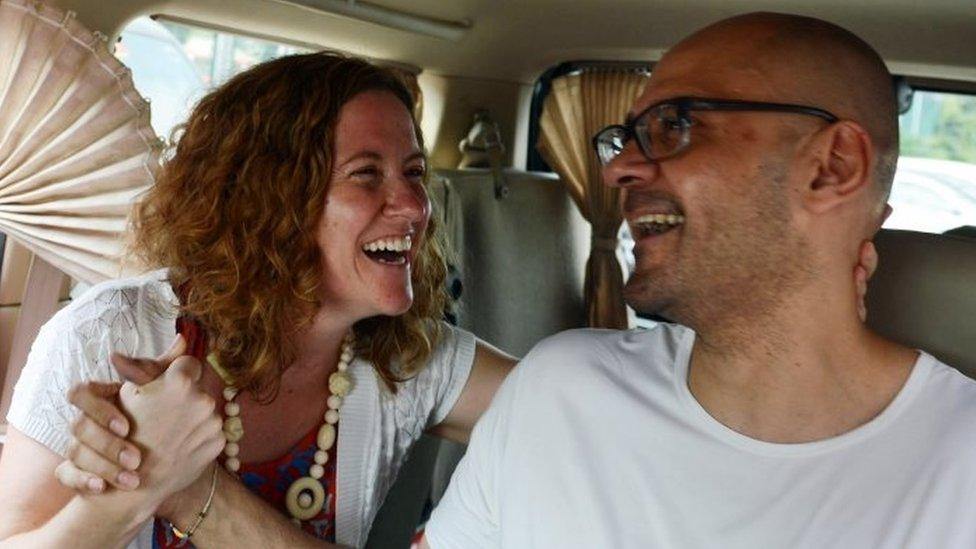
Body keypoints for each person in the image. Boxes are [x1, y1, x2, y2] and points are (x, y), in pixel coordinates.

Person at [422, 12, 976, 549]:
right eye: (627, 136)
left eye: (677, 124)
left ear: (833, 166)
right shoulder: (558, 389)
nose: (617, 170)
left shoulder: (959, 473)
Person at [0, 52, 514, 549]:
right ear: (272, 200)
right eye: (367, 174)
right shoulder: (110, 336)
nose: (414, 206)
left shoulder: (406, 358)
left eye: (415, 173)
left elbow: (569, 405)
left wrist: (191, 489)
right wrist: (134, 489)